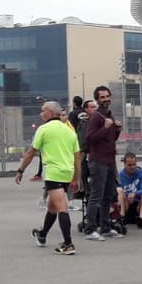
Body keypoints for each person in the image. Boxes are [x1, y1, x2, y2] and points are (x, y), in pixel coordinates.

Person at [16, 100, 82, 254]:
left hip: (53, 173)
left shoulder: (43, 129)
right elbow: (77, 157)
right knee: (52, 206)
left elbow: (31, 152)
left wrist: (21, 170)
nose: (41, 113)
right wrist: (76, 178)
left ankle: (68, 244)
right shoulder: (69, 131)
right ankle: (42, 234)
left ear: (52, 113)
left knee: (61, 207)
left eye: (43, 110)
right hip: (67, 172)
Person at [83, 85, 121, 239]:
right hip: (98, 161)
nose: (106, 99)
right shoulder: (96, 117)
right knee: (96, 195)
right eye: (102, 97)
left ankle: (105, 227)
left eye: (107, 96)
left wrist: (116, 130)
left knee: (108, 195)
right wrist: (105, 128)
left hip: (110, 160)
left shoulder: (109, 115)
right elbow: (90, 138)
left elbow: (111, 139)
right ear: (98, 100)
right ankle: (90, 229)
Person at [116, 151, 142, 228]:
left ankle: (141, 220)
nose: (132, 167)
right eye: (129, 165)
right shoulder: (120, 176)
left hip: (138, 206)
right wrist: (126, 196)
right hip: (126, 205)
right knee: (119, 190)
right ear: (124, 164)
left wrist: (135, 194)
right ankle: (122, 217)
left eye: (134, 164)